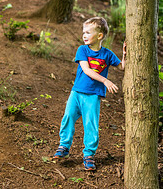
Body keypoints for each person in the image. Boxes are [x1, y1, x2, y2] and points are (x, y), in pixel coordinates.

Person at [53, 17, 126, 171]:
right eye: (83, 32)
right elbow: (86, 70)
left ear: (99, 36)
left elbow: (122, 67)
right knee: (68, 117)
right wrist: (105, 81)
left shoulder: (107, 54)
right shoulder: (82, 50)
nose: (84, 35)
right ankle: (64, 146)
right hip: (77, 93)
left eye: (87, 32)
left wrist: (125, 55)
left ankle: (89, 155)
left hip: (93, 96)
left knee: (90, 125)